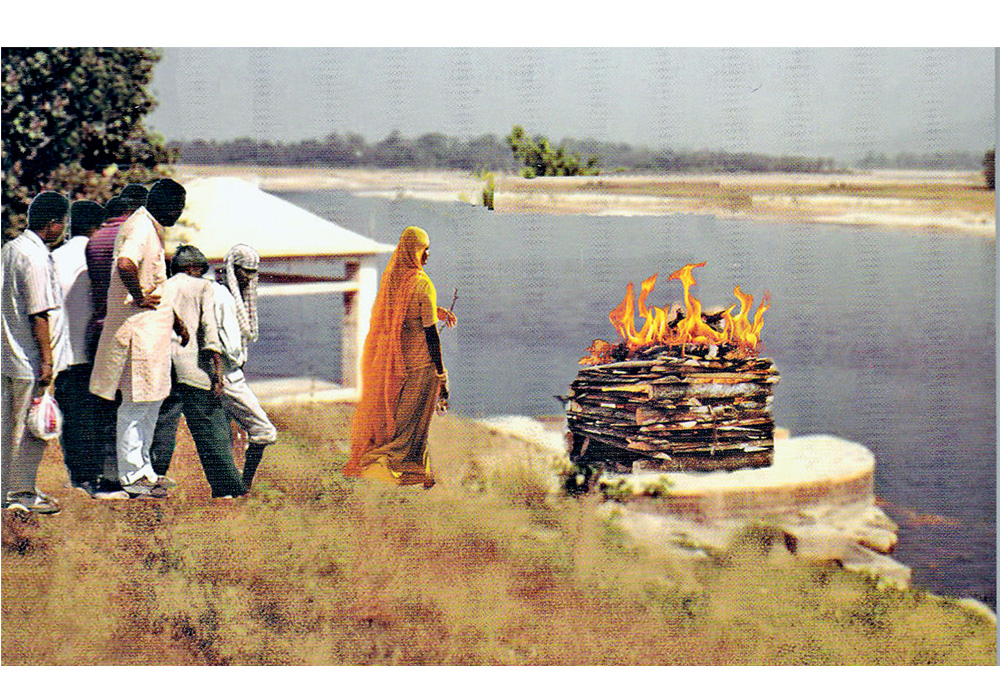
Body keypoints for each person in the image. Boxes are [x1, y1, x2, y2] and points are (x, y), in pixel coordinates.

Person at [89, 179, 189, 499]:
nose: (178, 214)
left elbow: (158, 283)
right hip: (140, 334)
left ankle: (145, 470)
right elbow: (125, 263)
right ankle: (131, 475)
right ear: (165, 205)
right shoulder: (141, 228)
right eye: (177, 208)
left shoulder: (151, 227)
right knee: (136, 405)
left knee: (152, 402)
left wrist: (178, 323)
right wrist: (139, 295)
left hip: (154, 335)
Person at [344, 226, 456, 487]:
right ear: (412, 252)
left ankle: (419, 472)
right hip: (421, 367)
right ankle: (387, 468)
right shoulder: (423, 284)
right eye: (423, 249)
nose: (427, 254)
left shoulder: (396, 281)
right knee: (412, 429)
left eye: (428, 249)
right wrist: (441, 374)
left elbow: (402, 314)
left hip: (397, 365)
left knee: (409, 424)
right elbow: (431, 335)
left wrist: (436, 310)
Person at [150, 245, 246, 498]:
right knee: (211, 430)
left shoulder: (163, 286)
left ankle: (153, 481)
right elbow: (208, 329)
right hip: (192, 367)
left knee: (163, 426)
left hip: (163, 366)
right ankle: (229, 488)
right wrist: (217, 373)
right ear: (194, 268)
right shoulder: (202, 287)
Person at [51, 200, 127, 498]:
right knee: (104, 417)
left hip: (63, 354)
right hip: (98, 348)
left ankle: (81, 479)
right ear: (99, 225)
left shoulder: (53, 257)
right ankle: (105, 479)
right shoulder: (102, 255)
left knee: (74, 420)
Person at [1, 192, 71, 513]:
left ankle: (9, 489)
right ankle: (21, 493)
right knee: (32, 429)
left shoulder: (11, 249)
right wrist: (47, 360)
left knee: (9, 428)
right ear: (53, 223)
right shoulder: (35, 257)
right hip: (30, 360)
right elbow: (38, 313)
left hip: (9, 353)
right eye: (63, 223)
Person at [84, 184, 149, 497]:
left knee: (105, 406)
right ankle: (127, 476)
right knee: (133, 407)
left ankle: (105, 476)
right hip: (126, 330)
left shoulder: (94, 239)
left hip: (99, 328)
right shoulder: (132, 237)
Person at [211, 244, 276, 489]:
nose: (249, 277)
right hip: (223, 374)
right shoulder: (220, 295)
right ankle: (244, 485)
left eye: (253, 272)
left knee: (226, 432)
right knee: (264, 431)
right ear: (232, 268)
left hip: (232, 372)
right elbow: (214, 339)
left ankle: (234, 484)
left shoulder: (233, 294)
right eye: (244, 271)